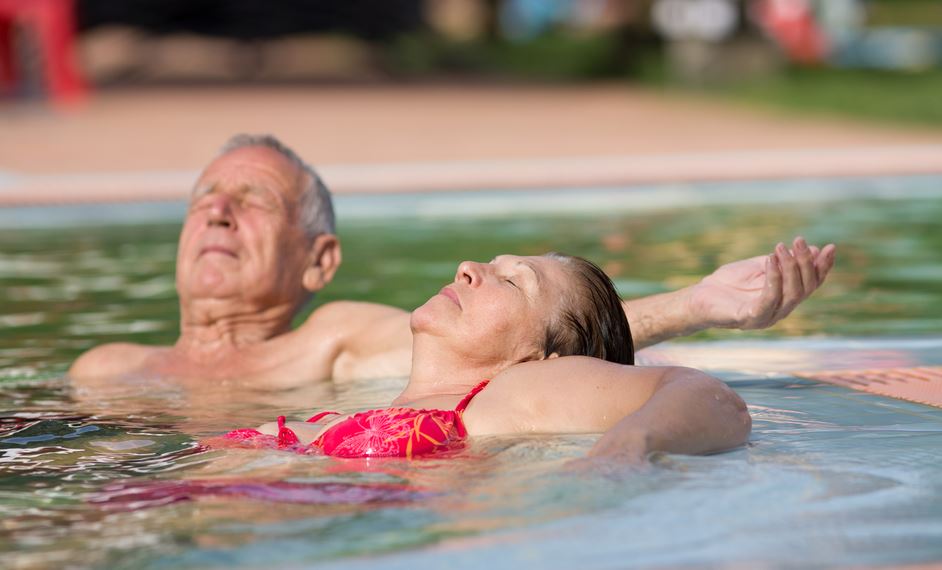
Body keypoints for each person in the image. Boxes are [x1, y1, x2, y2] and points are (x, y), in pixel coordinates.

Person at [68, 134, 836, 388]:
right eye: (205, 196)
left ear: (319, 260)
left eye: (253, 199)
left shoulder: (326, 343)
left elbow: (499, 343)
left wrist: (698, 305)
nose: (218, 210)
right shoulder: (102, 369)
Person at [220, 253, 751, 463]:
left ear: (545, 357)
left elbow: (713, 399)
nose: (467, 266)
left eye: (514, 281)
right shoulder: (329, 419)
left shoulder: (520, 390)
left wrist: (631, 441)